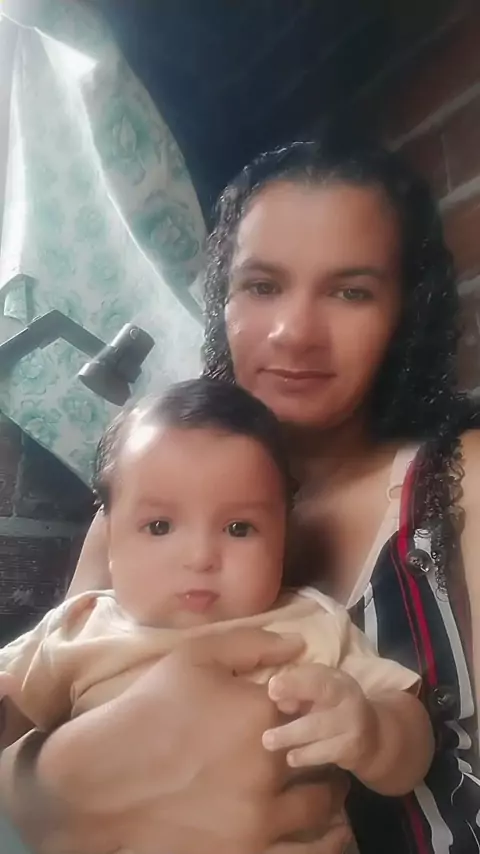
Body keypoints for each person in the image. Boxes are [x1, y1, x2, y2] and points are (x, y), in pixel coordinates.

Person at [1, 133, 480, 854]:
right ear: (221, 299)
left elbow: (404, 733)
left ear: (405, 313)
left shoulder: (458, 482)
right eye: (261, 286)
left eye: (350, 291)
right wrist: (38, 794)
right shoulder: (128, 520)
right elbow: (36, 709)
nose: (294, 333)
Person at [0, 378, 430, 854]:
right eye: (159, 526)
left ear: (284, 537)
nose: (200, 556)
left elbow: (409, 726)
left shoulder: (309, 624)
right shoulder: (77, 629)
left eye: (238, 528)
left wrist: (373, 732)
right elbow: (11, 709)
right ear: (111, 538)